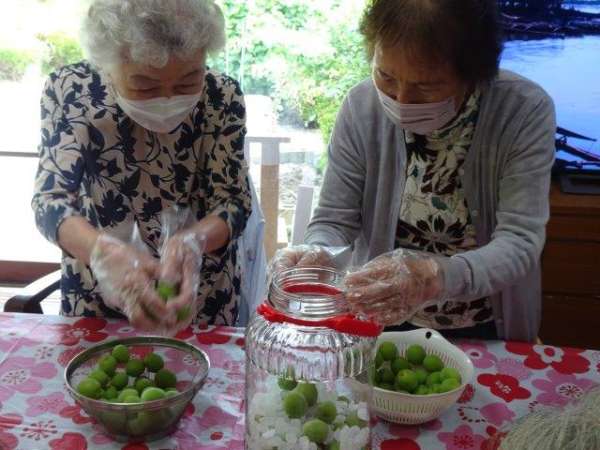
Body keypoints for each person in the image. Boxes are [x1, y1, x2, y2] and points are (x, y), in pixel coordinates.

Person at [274, 0, 556, 342]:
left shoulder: (523, 110)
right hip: (378, 314)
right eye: (386, 76)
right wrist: (319, 252)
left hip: (485, 325)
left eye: (426, 86)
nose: (401, 99)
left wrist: (434, 277)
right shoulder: (361, 106)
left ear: (472, 74)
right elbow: (335, 219)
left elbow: (519, 242)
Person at [32, 0, 251, 331]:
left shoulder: (223, 96)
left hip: (199, 296)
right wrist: (102, 253)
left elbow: (234, 201)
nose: (168, 98)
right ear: (107, 66)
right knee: (105, 365)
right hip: (98, 295)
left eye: (188, 81)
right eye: (145, 85)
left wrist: (194, 242)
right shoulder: (71, 92)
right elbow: (50, 202)